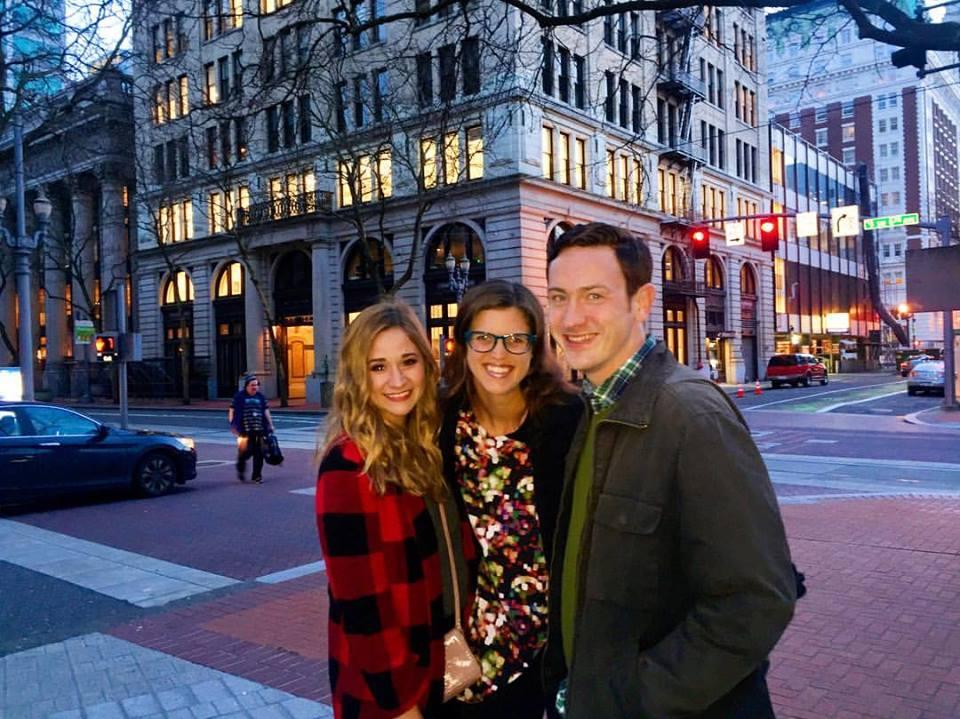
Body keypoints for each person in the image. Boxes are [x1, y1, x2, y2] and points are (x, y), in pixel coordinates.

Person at [542, 222, 797, 719]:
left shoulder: (690, 415)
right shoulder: (592, 408)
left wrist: (632, 700)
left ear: (641, 303)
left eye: (594, 295)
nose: (571, 318)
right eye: (558, 297)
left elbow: (755, 602)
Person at [316, 301, 473, 719]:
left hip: (439, 667)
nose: (398, 380)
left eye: (408, 361)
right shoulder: (348, 465)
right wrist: (400, 705)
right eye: (378, 367)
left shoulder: (425, 445)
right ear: (357, 376)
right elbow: (363, 606)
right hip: (390, 693)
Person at [438, 280, 581, 719]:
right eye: (483, 337)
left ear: (536, 348)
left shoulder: (567, 419)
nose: (498, 354)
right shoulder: (442, 421)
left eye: (515, 340)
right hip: (463, 639)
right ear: (462, 344)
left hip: (549, 642)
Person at [229, 374, 274, 484]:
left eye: (256, 385)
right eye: (252, 385)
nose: (255, 387)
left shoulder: (260, 397)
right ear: (246, 386)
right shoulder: (239, 396)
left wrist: (270, 424)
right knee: (244, 453)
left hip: (259, 430)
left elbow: (266, 410)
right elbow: (232, 410)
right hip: (244, 431)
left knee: (259, 454)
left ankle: (257, 476)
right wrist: (233, 424)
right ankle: (241, 469)